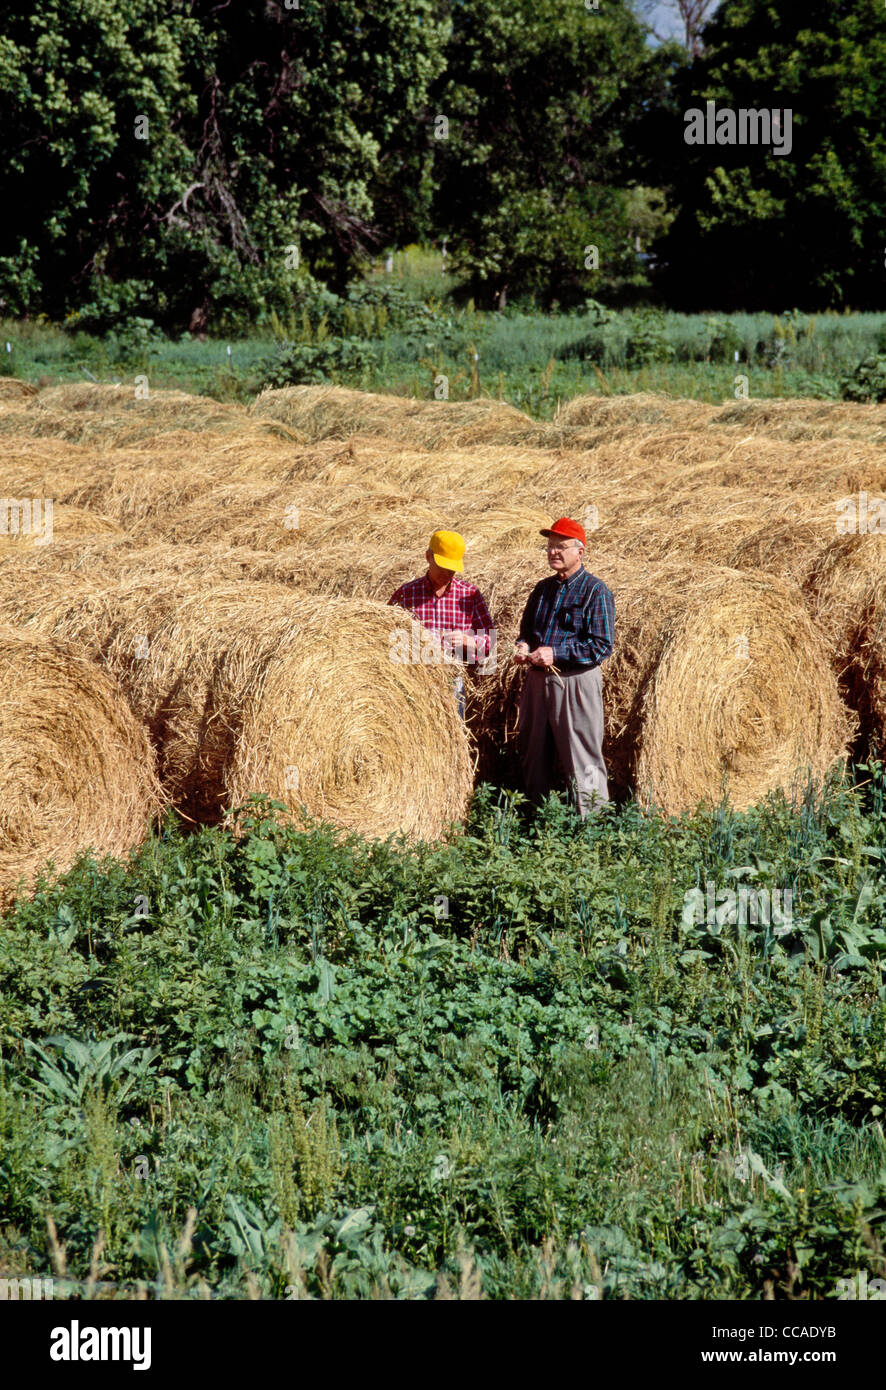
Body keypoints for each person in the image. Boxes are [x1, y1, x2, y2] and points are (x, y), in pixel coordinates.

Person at [512, 516, 614, 816]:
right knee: (533, 753)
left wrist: (556, 654)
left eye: (561, 546)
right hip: (537, 681)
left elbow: (601, 645)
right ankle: (537, 822)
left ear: (579, 552)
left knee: (583, 755)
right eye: (549, 546)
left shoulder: (596, 591)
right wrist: (523, 648)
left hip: (576, 682)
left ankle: (593, 826)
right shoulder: (542, 589)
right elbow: (527, 632)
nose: (553, 552)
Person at [387, 530, 496, 717]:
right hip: (413, 680)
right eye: (443, 566)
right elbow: (385, 634)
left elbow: (490, 640)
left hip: (452, 680)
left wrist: (468, 641)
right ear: (428, 557)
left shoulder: (469, 595)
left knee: (451, 736)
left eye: (452, 568)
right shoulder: (407, 594)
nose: (448, 573)